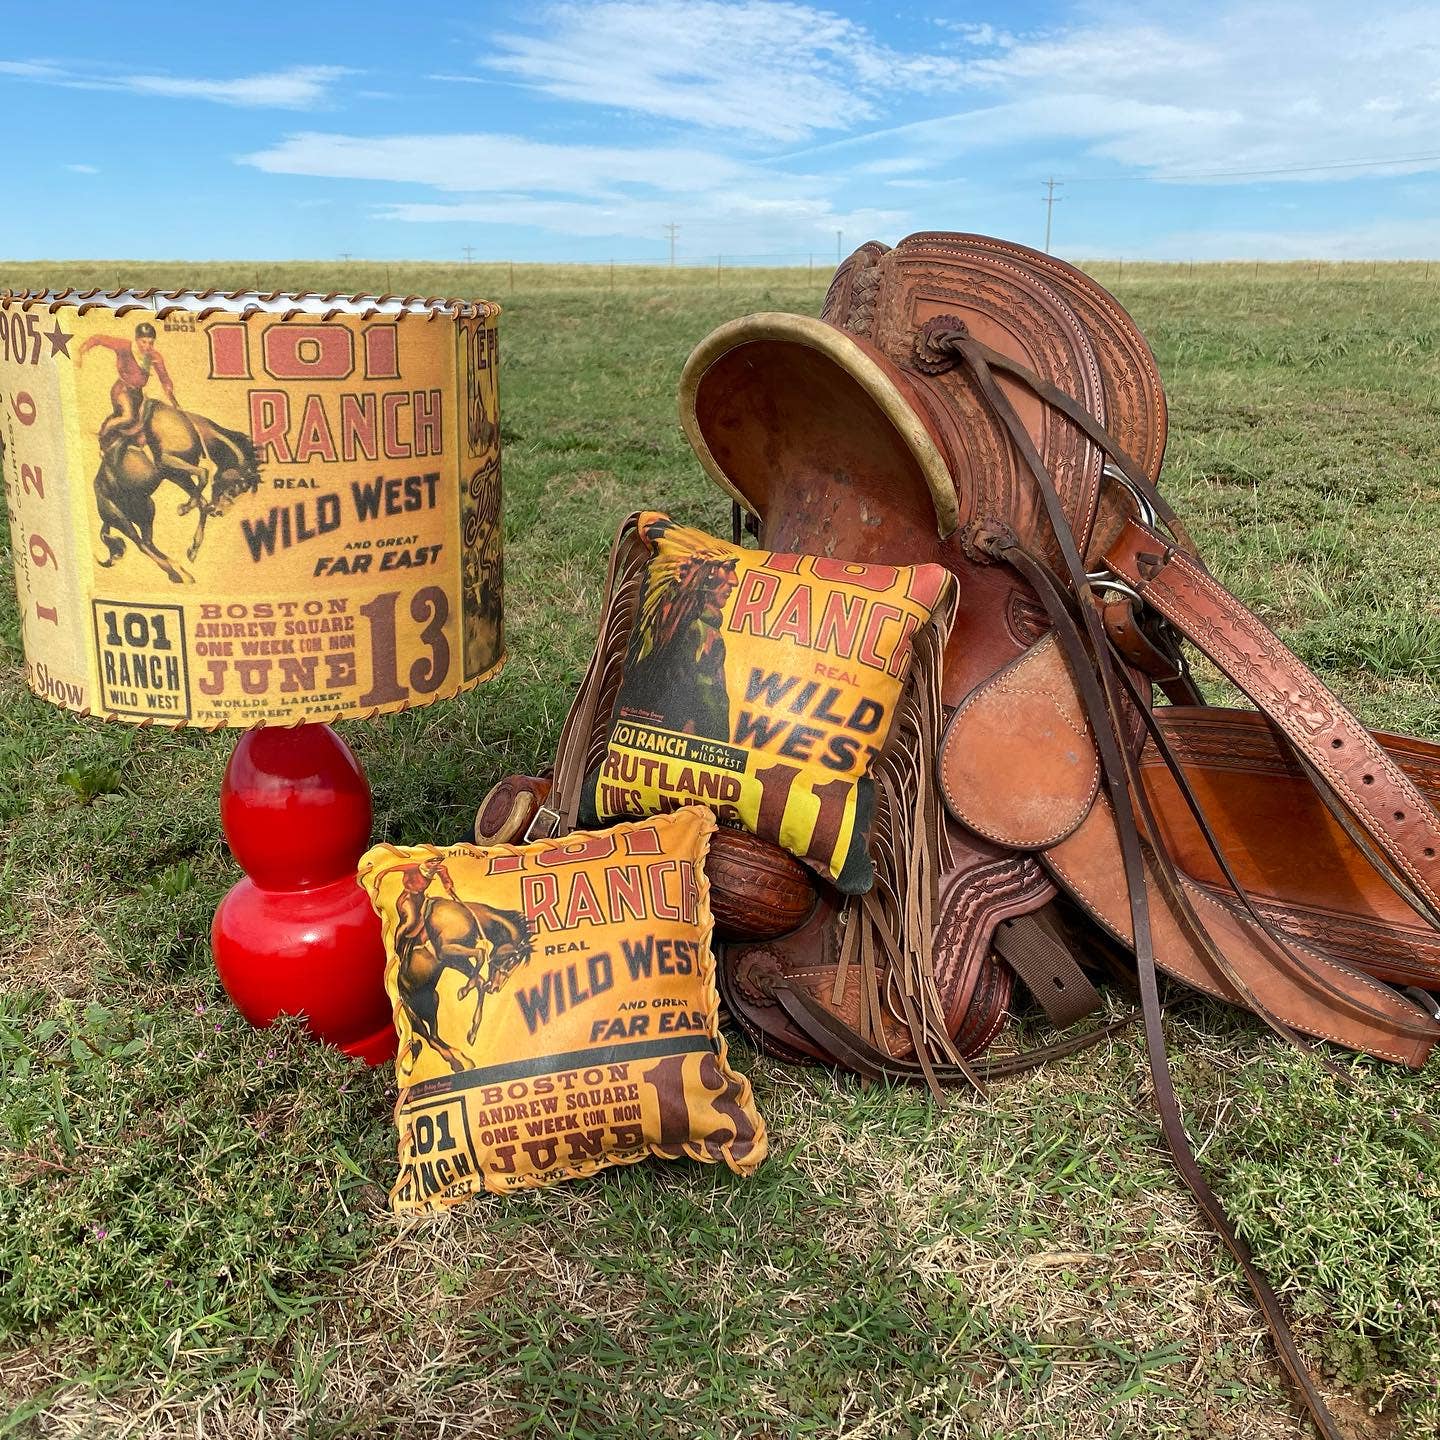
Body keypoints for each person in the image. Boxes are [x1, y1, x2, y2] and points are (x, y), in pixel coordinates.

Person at [79, 322, 180, 453]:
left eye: (151, 343)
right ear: (137, 340)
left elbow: (164, 378)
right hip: (122, 390)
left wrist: (172, 399)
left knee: (144, 424)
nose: (147, 346)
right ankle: (103, 436)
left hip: (137, 394)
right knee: (128, 417)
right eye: (144, 342)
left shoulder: (154, 357)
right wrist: (81, 351)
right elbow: (99, 339)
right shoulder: (124, 346)